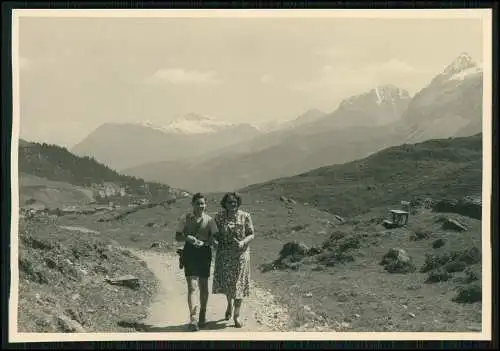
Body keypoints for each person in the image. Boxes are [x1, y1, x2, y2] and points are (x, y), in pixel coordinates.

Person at [175, 193, 218, 331]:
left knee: (204, 286)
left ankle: (202, 315)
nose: (200, 206)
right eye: (198, 203)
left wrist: (210, 242)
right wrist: (189, 238)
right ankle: (193, 319)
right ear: (193, 204)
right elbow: (177, 236)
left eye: (202, 203)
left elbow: (215, 238)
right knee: (192, 287)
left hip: (204, 253)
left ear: (205, 205)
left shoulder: (210, 220)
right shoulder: (185, 218)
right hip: (190, 253)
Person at [212, 192, 255, 328]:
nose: (232, 204)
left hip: (240, 256)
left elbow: (252, 234)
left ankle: (236, 315)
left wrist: (243, 243)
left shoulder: (245, 216)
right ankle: (229, 305)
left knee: (238, 286)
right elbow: (214, 235)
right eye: (229, 202)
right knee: (228, 284)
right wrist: (215, 242)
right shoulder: (219, 217)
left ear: (238, 203)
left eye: (234, 202)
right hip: (224, 256)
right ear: (224, 204)